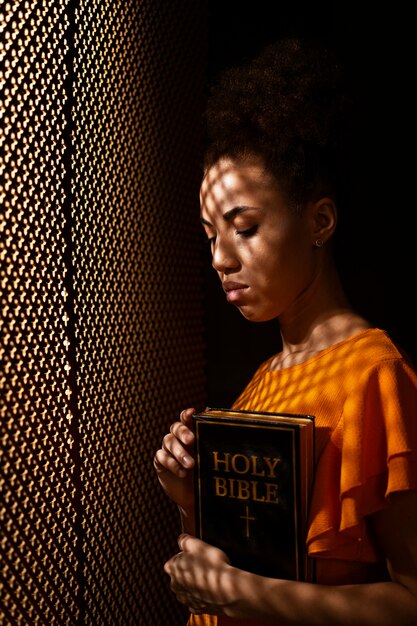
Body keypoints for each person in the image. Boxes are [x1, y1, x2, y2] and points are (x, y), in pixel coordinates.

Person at [153, 37, 417, 625]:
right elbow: (241, 561)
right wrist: (192, 500)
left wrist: (245, 595)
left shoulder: (373, 373)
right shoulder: (262, 382)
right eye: (209, 235)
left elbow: (412, 603)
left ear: (319, 221)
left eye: (243, 228)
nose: (220, 258)